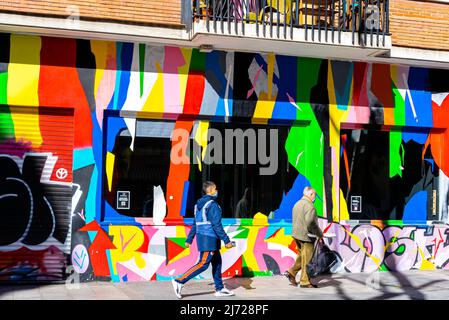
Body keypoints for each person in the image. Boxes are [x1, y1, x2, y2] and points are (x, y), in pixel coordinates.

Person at [171, 181, 235, 299]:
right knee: (203, 264)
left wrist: (189, 239)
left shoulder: (198, 205)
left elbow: (195, 224)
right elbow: (217, 225)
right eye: (215, 189)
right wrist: (227, 241)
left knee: (217, 263)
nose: (217, 191)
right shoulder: (212, 205)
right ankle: (179, 281)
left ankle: (219, 288)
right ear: (210, 191)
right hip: (209, 239)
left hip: (206, 238)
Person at [283, 186, 323, 288]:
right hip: (307, 236)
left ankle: (291, 272)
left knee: (302, 256)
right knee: (307, 258)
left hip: (296, 235)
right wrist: (319, 234)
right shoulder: (310, 206)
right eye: (314, 195)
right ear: (310, 194)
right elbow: (310, 223)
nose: (315, 197)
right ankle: (305, 281)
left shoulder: (297, 204)